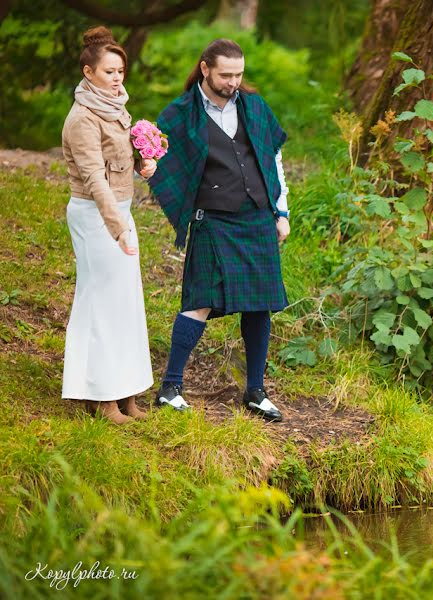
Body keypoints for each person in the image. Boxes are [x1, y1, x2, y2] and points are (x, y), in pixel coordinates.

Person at [148, 38, 291, 422]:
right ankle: (170, 386)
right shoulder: (181, 114)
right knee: (200, 298)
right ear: (205, 68)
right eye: (226, 75)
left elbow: (272, 159)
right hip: (213, 218)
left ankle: (256, 391)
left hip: (257, 216)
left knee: (260, 303)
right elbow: (156, 160)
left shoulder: (254, 107)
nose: (233, 82)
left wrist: (282, 211)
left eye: (239, 74)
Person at [61, 26, 157, 424]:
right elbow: (94, 179)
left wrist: (143, 162)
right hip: (96, 216)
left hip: (120, 212)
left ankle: (127, 392)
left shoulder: (117, 107)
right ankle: (101, 398)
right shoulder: (82, 118)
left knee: (127, 305)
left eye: (121, 71)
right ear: (88, 73)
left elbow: (119, 160)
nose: (117, 79)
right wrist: (117, 227)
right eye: (109, 72)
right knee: (101, 303)